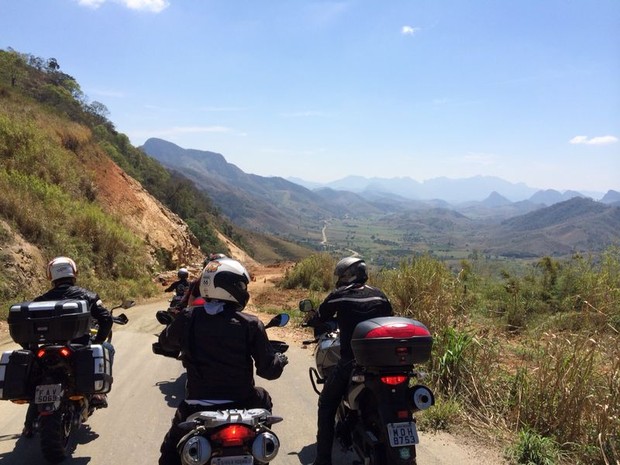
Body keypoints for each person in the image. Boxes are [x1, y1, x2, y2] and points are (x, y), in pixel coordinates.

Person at [157, 257, 288, 465]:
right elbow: (269, 371)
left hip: (196, 406)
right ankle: (261, 454)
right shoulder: (250, 323)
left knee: (170, 454)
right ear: (230, 286)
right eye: (241, 285)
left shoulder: (188, 317)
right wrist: (280, 360)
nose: (244, 289)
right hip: (244, 404)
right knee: (264, 398)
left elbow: (166, 341)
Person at [310, 257, 393, 465]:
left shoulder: (339, 296)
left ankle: (322, 460)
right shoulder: (380, 295)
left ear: (347, 276)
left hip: (352, 362)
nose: (339, 279)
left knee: (326, 403)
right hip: (384, 364)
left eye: (341, 275)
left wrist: (313, 320)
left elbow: (319, 316)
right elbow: (390, 317)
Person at [22, 256, 114, 437]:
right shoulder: (87, 296)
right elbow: (106, 319)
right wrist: (98, 342)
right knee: (108, 349)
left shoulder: (40, 300)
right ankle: (97, 394)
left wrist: (30, 347)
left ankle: (27, 426)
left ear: (51, 276)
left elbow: (26, 326)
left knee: (40, 377)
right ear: (74, 273)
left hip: (46, 349)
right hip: (78, 348)